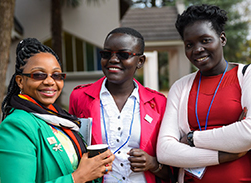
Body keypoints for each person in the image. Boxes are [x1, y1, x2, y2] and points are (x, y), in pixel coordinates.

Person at [156, 4, 251, 183]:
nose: (197, 49)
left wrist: (191, 138)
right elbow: (165, 151)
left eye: (205, 40)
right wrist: (223, 156)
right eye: (189, 44)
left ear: (222, 39)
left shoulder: (250, 75)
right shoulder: (180, 87)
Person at [0, 38, 114, 183]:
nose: (50, 81)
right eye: (38, 75)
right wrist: (78, 178)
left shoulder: (60, 120)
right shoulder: (16, 126)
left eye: (56, 75)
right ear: (20, 81)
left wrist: (96, 167)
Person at [69, 27, 174, 183]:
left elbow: (173, 171)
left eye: (123, 55)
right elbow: (72, 152)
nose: (113, 59)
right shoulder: (80, 97)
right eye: (106, 54)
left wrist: (152, 164)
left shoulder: (158, 103)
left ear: (140, 61)